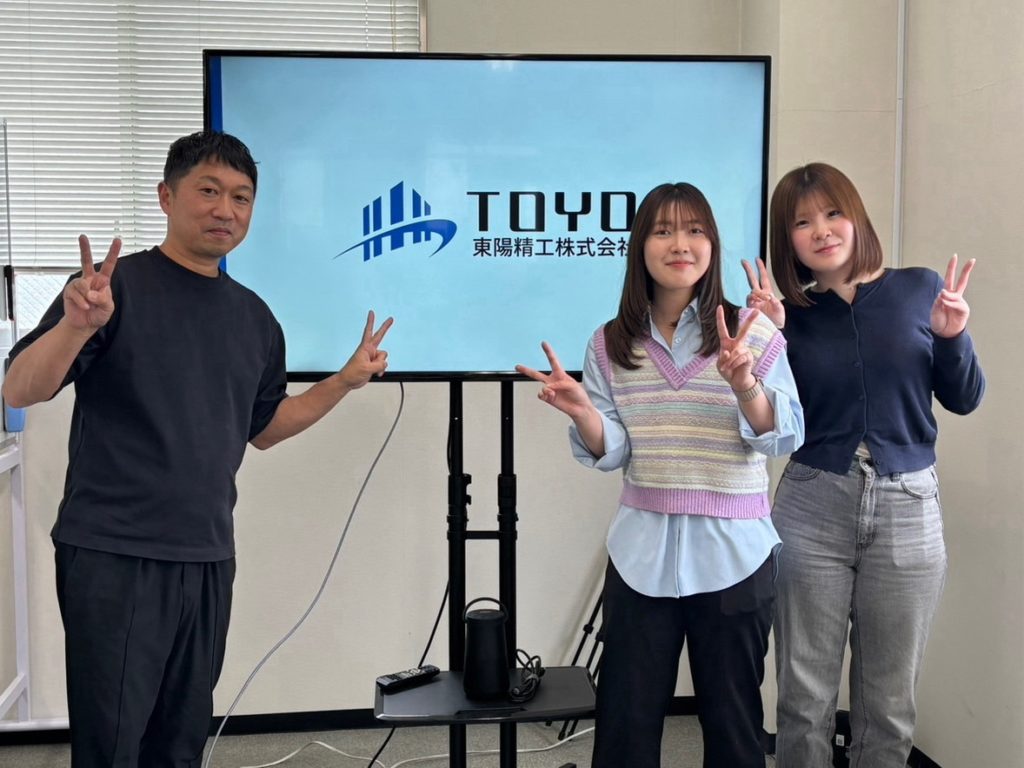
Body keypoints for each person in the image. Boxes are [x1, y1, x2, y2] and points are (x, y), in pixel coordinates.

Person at [2, 131, 393, 767]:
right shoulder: (113, 290)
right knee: (112, 743)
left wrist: (344, 382)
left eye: (241, 197)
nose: (225, 210)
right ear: (167, 196)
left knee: (180, 741)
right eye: (208, 191)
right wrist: (74, 327)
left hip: (208, 555)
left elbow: (266, 428)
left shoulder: (254, 318)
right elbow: (21, 387)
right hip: (115, 551)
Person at [516, 182, 804, 768]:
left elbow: (784, 434)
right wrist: (584, 413)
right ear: (640, 246)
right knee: (625, 723)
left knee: (734, 726)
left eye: (695, 230)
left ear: (712, 244)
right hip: (640, 554)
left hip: (735, 555)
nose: (681, 244)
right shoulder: (609, 344)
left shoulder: (752, 330)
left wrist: (744, 384)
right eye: (663, 231)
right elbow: (616, 449)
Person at [744, 162, 985, 767]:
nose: (822, 230)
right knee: (804, 699)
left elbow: (964, 398)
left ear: (856, 218)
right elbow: (771, 418)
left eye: (833, 213)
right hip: (812, 502)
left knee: (889, 703)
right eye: (802, 222)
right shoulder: (790, 314)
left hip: (909, 505)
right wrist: (769, 339)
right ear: (787, 239)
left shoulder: (920, 288)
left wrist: (953, 337)